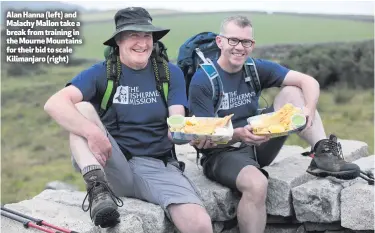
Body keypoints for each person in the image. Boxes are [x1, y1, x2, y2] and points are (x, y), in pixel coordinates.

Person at [44, 7, 213, 232]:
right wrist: (93, 133)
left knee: (200, 223)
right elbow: (54, 104)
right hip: (113, 163)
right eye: (134, 34)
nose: (142, 43)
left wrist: (195, 135)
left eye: (147, 35)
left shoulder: (170, 73)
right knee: (81, 107)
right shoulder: (102, 73)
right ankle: (97, 189)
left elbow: (176, 125)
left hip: (158, 165)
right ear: (118, 40)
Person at [188, 15, 359, 233]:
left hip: (259, 142)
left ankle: (322, 153)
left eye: (246, 42)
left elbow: (309, 81)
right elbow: (204, 138)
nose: (240, 47)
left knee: (294, 92)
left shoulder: (254, 68)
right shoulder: (203, 80)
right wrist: (239, 135)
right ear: (220, 42)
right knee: (257, 185)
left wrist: (308, 109)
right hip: (222, 153)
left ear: (253, 45)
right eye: (233, 40)